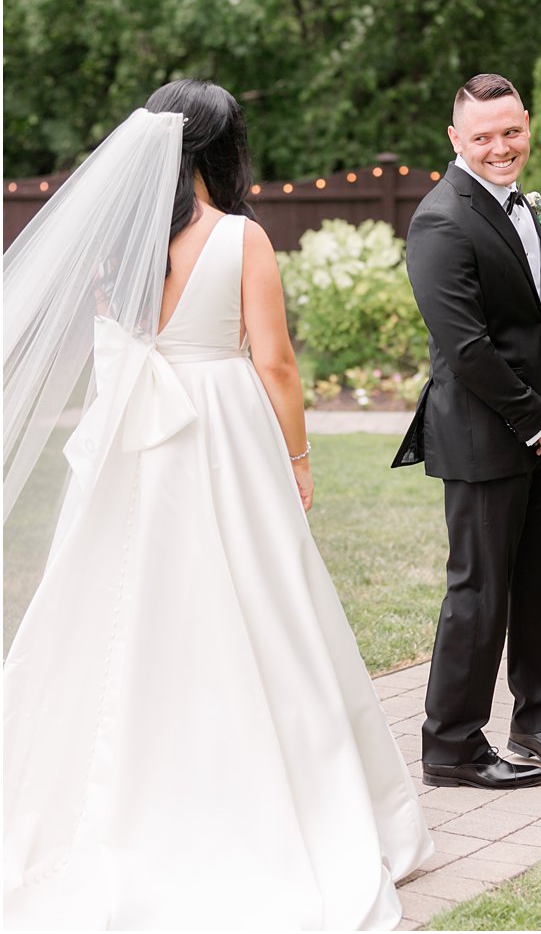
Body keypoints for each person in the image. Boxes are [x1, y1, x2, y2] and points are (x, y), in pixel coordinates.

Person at [3, 80, 431, 928]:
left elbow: (120, 344)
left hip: (138, 438)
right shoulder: (242, 238)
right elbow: (274, 361)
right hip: (224, 429)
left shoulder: (117, 247)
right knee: (259, 600)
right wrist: (299, 457)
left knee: (120, 603)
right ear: (225, 149)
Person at [392, 73, 541, 790]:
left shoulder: (521, 208)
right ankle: (450, 744)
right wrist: (538, 419)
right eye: (483, 136)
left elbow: (538, 317)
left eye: (511, 131)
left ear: (527, 124)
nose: (500, 146)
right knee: (479, 590)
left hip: (537, 426)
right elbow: (466, 346)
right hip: (482, 438)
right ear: (456, 139)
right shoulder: (440, 218)